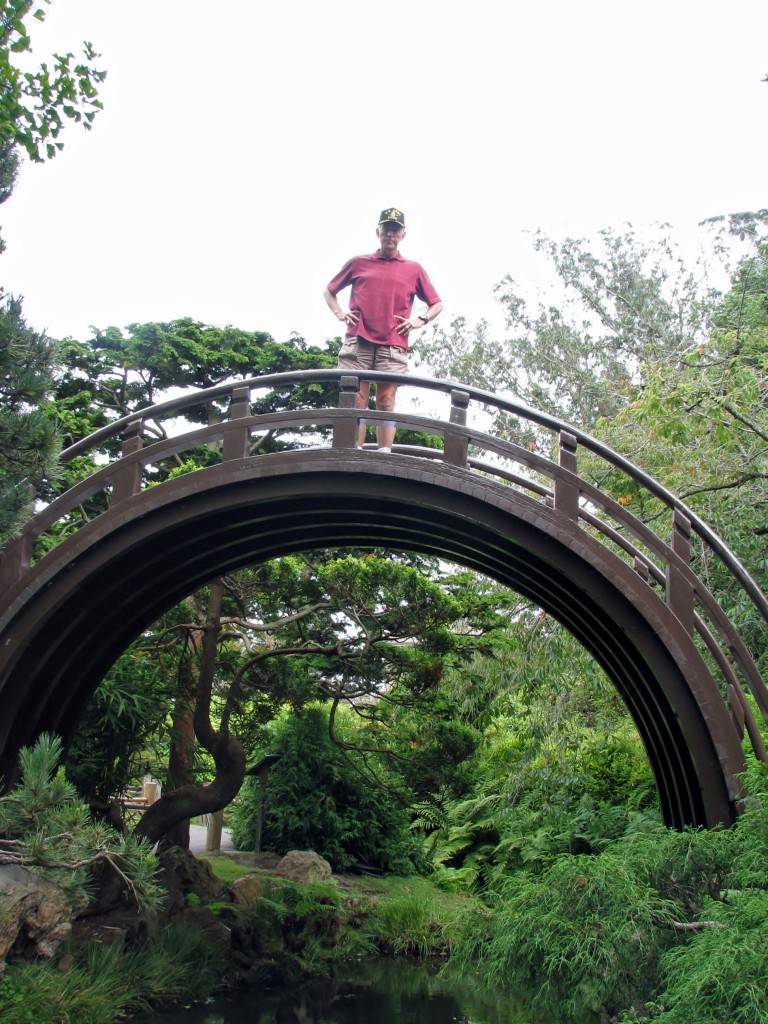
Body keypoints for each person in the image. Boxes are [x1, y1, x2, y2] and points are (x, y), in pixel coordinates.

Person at [323, 208, 443, 452]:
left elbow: (437, 303)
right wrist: (339, 313)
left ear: (403, 235)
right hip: (358, 340)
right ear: (377, 231)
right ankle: (351, 451)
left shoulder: (413, 269)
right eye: (386, 228)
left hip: (393, 343)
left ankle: (384, 454)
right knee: (356, 399)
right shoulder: (359, 263)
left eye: (395, 230)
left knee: (386, 402)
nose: (390, 234)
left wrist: (420, 319)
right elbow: (329, 290)